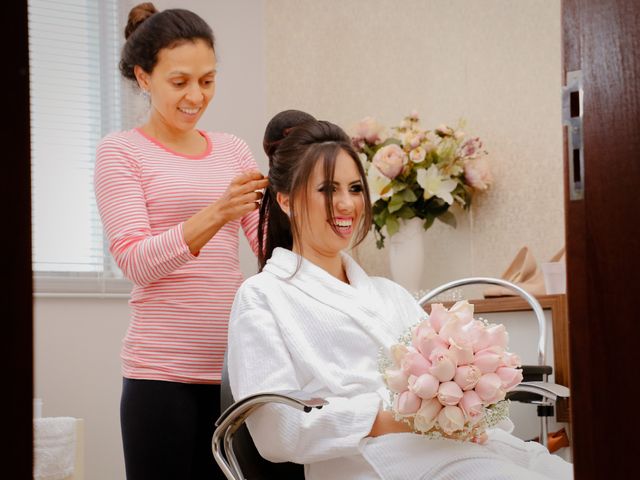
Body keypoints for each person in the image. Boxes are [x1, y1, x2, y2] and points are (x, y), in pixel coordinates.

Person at [227, 114, 573, 479]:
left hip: (451, 449)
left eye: (355, 188)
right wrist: (394, 419)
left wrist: (471, 403)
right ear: (286, 200)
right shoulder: (262, 296)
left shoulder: (389, 294)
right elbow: (276, 434)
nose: (346, 204)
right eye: (328, 190)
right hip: (366, 463)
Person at [93, 3, 268, 479]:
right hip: (158, 378)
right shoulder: (120, 152)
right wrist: (216, 213)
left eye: (207, 80)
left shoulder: (232, 149)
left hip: (233, 375)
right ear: (143, 77)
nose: (196, 95)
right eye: (180, 81)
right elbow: (135, 261)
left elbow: (270, 252)